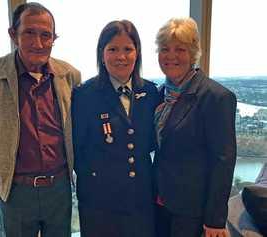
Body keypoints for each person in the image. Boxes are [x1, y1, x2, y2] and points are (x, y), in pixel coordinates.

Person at [0, 2, 81, 237]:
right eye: (29, 32)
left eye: (45, 35)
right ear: (13, 34)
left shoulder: (70, 75)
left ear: (53, 39)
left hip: (59, 189)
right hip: (15, 191)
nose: (38, 43)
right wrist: (0, 178)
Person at [72, 20, 159, 237]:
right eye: (113, 49)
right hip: (100, 202)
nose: (121, 56)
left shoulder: (150, 92)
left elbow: (151, 143)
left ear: (137, 53)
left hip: (140, 200)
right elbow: (77, 149)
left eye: (127, 49)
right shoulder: (85, 95)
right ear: (102, 54)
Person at [153, 17, 237, 237]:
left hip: (193, 212)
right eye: (165, 49)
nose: (171, 56)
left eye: (179, 49)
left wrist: (216, 220)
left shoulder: (216, 97)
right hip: (159, 203)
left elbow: (223, 162)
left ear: (193, 53)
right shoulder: (160, 95)